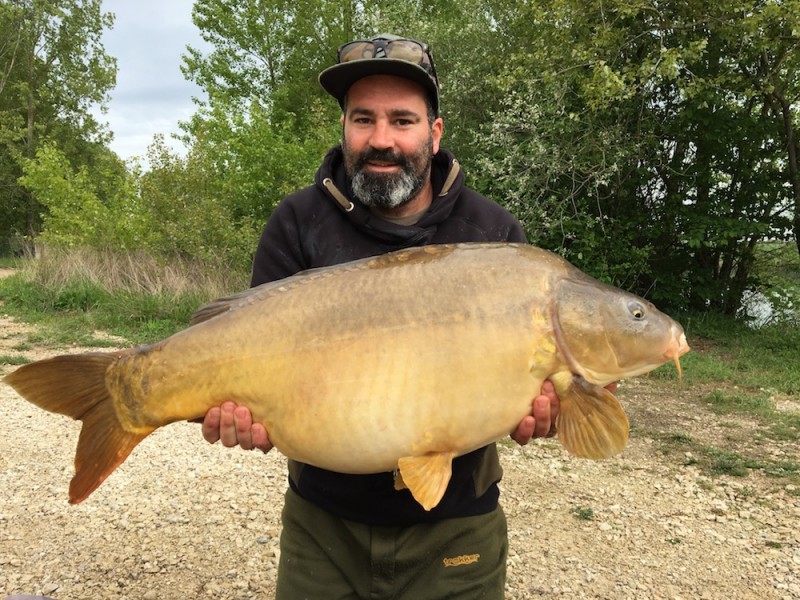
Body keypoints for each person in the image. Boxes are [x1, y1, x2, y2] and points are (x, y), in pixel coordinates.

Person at [200, 34, 562, 599]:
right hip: (323, 525)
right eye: (363, 119)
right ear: (344, 127)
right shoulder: (296, 222)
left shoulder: (494, 236)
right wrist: (247, 418)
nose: (381, 139)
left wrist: (549, 412)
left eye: (402, 120)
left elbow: (540, 396)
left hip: (457, 524)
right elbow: (257, 369)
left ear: (435, 133)